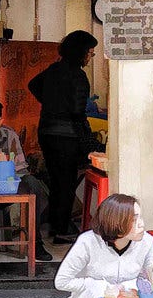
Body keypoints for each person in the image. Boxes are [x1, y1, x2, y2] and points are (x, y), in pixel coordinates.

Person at [29, 30, 100, 243]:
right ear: (81, 53)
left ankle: (57, 225)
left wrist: (51, 104)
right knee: (66, 182)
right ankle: (61, 230)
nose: (90, 57)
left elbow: (33, 85)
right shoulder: (78, 76)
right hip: (66, 137)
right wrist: (89, 141)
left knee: (57, 181)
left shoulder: (53, 70)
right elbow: (78, 113)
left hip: (47, 133)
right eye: (90, 52)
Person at [0, 98, 51, 261]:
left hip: (6, 189)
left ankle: (36, 242)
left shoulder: (10, 136)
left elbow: (21, 169)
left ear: (1, 121)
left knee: (33, 184)